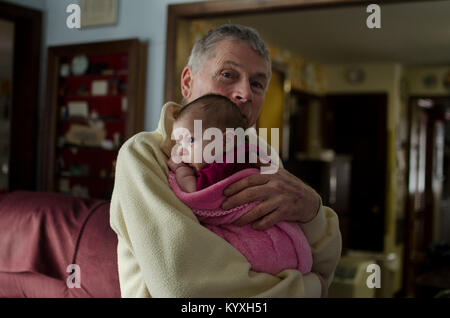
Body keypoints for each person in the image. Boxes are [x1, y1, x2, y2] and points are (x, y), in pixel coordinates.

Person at [110, 24, 342, 297]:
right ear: (188, 82)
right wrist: (309, 289)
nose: (245, 93)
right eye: (228, 74)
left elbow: (323, 263)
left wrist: (312, 210)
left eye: (257, 83)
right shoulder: (142, 155)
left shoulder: (261, 154)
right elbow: (185, 290)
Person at [166, 93, 313, 276]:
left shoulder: (223, 165)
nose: (180, 151)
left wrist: (181, 170)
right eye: (178, 143)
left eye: (190, 141)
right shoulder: (250, 151)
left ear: (226, 141)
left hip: (266, 245)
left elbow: (195, 194)